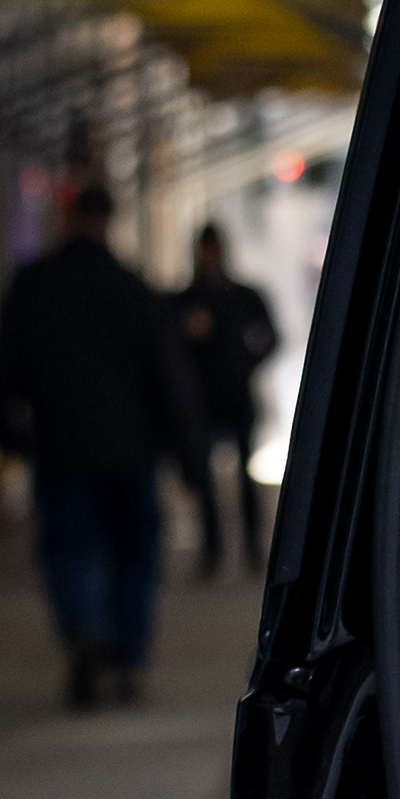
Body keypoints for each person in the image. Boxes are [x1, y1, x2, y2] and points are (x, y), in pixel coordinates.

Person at [0, 184, 203, 710]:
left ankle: (85, 627)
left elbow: (5, 365)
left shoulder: (34, 286)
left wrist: (7, 432)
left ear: (68, 218)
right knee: (135, 554)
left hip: (60, 445)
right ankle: (128, 657)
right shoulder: (134, 290)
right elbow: (170, 377)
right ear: (110, 222)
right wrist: (190, 455)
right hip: (132, 449)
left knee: (69, 547)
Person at [173, 223, 278, 580]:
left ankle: (250, 546)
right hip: (204, 399)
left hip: (233, 394)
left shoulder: (240, 296)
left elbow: (269, 337)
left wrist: (245, 363)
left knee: (244, 476)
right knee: (206, 478)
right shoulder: (190, 300)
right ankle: (213, 549)